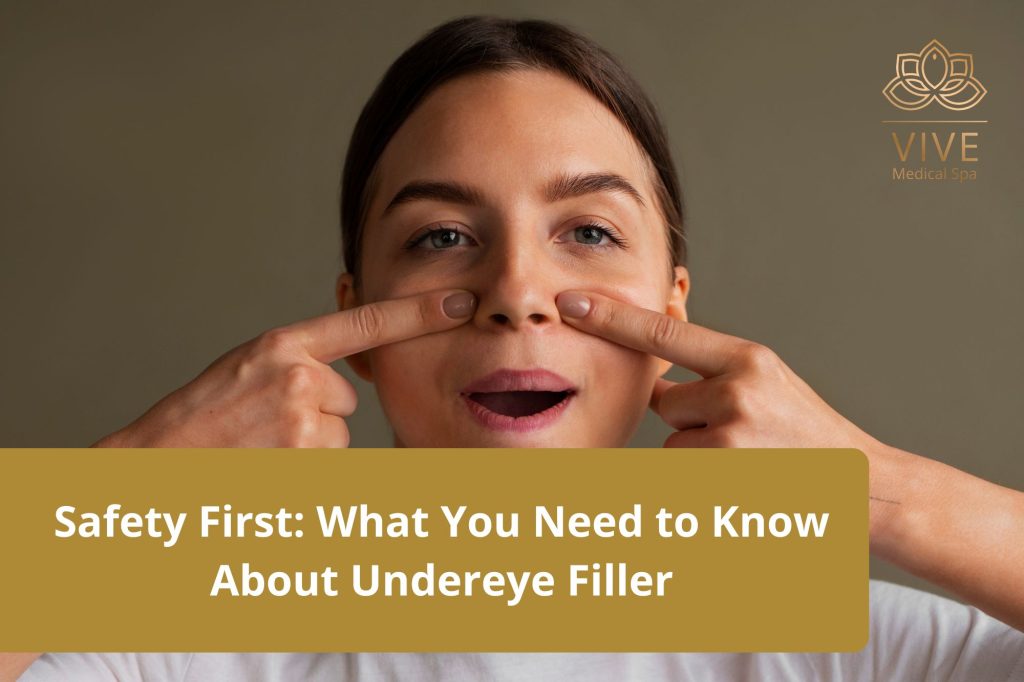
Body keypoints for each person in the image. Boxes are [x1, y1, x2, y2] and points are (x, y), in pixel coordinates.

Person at [9, 15, 1024, 682]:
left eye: (587, 231)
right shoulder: (183, 642)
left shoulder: (840, 644)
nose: (516, 295)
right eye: (442, 237)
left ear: (672, 311)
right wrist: (129, 492)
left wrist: (882, 491)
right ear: (353, 323)